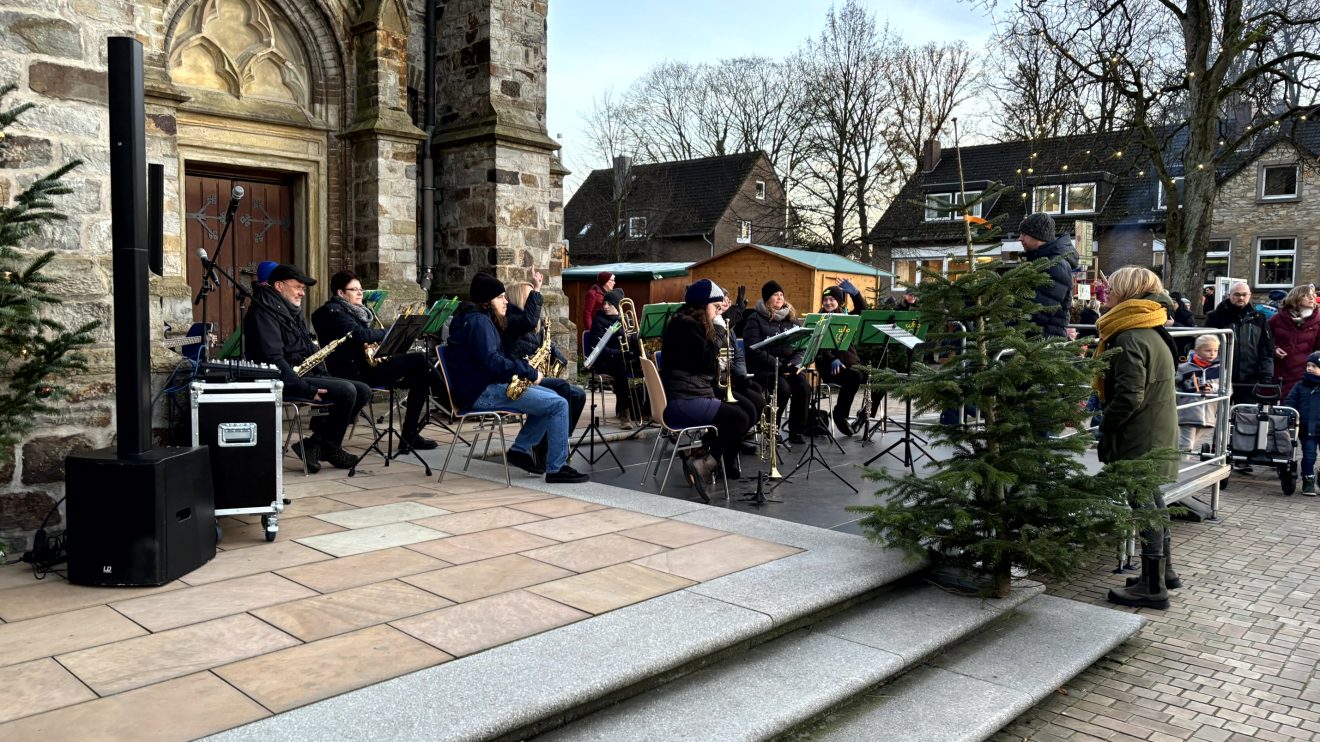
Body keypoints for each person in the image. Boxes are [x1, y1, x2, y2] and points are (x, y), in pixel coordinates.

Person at [445, 272, 589, 484]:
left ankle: (521, 449)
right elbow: (493, 361)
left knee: (551, 396)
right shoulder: (480, 324)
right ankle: (556, 468)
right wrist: (528, 372)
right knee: (558, 403)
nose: (506, 301)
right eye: (500, 297)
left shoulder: (477, 319)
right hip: (481, 392)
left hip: (480, 388)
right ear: (487, 301)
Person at [1094, 266, 1180, 610]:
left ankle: (1152, 587)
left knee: (1143, 503)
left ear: (1127, 292)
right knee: (1154, 501)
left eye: (1111, 289)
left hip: (1140, 433)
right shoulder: (1151, 327)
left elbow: (1130, 395)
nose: (1106, 295)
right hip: (1155, 428)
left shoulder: (1130, 335)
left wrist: (1106, 426)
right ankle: (1163, 574)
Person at [245, 264, 370, 473]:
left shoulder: (291, 310)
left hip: (303, 373)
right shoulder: (263, 313)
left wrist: (321, 369)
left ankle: (317, 445)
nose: (302, 293)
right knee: (347, 391)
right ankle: (326, 447)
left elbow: (307, 347)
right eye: (298, 287)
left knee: (363, 390)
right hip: (283, 379)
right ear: (279, 286)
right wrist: (304, 388)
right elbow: (273, 359)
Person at [310, 270, 438, 454]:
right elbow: (360, 335)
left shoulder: (355, 312)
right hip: (354, 372)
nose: (360, 293)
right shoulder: (332, 313)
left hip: (367, 366)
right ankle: (449, 397)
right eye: (354, 290)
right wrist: (390, 332)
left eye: (361, 289)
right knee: (419, 361)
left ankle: (410, 435)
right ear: (340, 293)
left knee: (421, 373)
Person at [660, 279, 752, 501]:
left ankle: (700, 455)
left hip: (693, 394)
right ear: (703, 305)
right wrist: (720, 331)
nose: (718, 312)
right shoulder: (686, 326)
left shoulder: (689, 323)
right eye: (716, 307)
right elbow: (707, 357)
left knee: (745, 412)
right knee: (739, 418)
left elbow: (702, 362)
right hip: (684, 401)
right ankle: (703, 464)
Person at [504, 271, 586, 467]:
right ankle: (545, 446)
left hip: (535, 374)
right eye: (530, 295)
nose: (535, 300)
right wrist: (538, 289)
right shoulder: (514, 319)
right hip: (521, 377)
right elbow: (529, 321)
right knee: (562, 388)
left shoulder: (534, 324)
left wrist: (558, 356)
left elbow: (545, 343)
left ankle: (557, 439)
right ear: (519, 298)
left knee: (578, 394)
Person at [743, 280, 810, 443]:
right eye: (775, 295)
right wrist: (779, 365)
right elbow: (754, 349)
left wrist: (793, 364)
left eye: (781, 294)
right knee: (783, 389)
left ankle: (796, 431)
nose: (780, 298)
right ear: (767, 299)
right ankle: (771, 428)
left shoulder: (791, 319)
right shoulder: (755, 319)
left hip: (788, 367)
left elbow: (801, 347)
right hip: (765, 369)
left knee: (804, 387)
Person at [1206, 280, 1275, 404]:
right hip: (1221, 376)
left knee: (1245, 416)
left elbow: (1266, 348)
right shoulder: (1216, 317)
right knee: (1219, 415)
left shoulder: (1259, 318)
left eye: (1244, 294)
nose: (1241, 298)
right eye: (1237, 294)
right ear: (1229, 295)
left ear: (1249, 295)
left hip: (1250, 378)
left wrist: (1267, 374)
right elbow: (1207, 345)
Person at [584, 288, 644, 427]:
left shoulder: (625, 319)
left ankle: (646, 410)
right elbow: (599, 349)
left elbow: (634, 340)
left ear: (617, 306)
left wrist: (641, 355)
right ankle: (624, 414)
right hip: (605, 360)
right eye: (604, 303)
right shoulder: (599, 321)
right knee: (621, 369)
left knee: (648, 367)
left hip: (625, 358)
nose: (605, 306)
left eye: (609, 304)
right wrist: (620, 354)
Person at [815, 279, 867, 436]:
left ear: (839, 302)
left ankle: (865, 416)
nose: (828, 302)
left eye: (832, 299)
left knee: (882, 379)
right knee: (854, 377)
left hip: (851, 364)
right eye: (825, 300)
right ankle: (840, 414)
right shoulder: (819, 319)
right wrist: (831, 358)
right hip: (831, 367)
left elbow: (862, 310)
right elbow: (816, 347)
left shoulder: (847, 318)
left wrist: (855, 294)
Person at [1017, 212, 1079, 337]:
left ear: (1037, 235)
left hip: (1041, 345)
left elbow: (1039, 311)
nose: (1020, 238)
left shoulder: (1055, 265)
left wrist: (1005, 329)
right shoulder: (1040, 262)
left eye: (1024, 234)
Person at [1267, 284, 1320, 398]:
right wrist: (1274, 349)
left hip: (1304, 373)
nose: (1312, 298)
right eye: (1306, 296)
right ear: (1296, 297)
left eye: (1312, 295)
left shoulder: (1317, 320)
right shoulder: (1279, 318)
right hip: (1280, 372)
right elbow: (1264, 339)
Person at [1176, 334, 1221, 457]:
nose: (1212, 353)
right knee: (1186, 444)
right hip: (1189, 411)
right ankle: (1182, 468)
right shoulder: (1184, 368)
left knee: (1192, 442)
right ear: (1197, 351)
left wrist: (1213, 388)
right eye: (1208, 350)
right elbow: (1174, 387)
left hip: (1208, 415)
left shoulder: (1219, 369)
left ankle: (1179, 460)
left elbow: (1227, 388)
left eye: (1215, 350)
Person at [1283, 351, 1320, 497]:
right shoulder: (1300, 385)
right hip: (1307, 428)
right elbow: (1290, 402)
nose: (1309, 368)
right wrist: (1289, 413)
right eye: (1308, 365)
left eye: (1314, 366)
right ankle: (1308, 480)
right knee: (1309, 456)